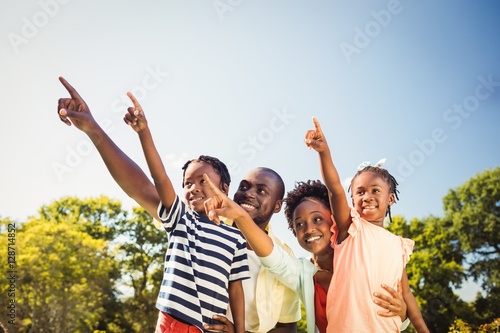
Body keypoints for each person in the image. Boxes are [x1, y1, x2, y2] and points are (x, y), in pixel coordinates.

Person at [57, 77, 250, 333]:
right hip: (173, 323)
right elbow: (158, 180)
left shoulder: (236, 236)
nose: (192, 188)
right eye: (187, 183)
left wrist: (240, 330)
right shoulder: (182, 219)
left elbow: (235, 286)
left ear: (224, 188)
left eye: (202, 180)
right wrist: (143, 132)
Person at [202, 175, 409, 333]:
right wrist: (239, 215)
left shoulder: (365, 257)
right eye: (299, 224)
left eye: (317, 219)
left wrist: (403, 313)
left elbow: (394, 312)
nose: (309, 228)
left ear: (334, 221)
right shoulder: (303, 273)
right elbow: (276, 259)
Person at [304, 117, 430, 332]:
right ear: (352, 199)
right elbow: (334, 189)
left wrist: (423, 329)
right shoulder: (350, 228)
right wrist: (323, 151)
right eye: (360, 192)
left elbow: (406, 294)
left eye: (375, 190)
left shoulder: (399, 245)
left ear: (390, 198)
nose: (367, 196)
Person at [206, 167, 301, 332]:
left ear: (277, 206)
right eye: (243, 187)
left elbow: (287, 326)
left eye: (262, 191)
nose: (248, 193)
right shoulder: (210, 229)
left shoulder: (285, 256)